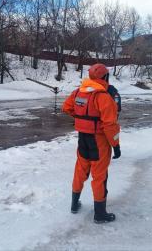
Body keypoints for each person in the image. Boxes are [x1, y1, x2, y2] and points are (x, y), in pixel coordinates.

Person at [62, 63, 121, 224]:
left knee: (80, 170)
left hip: (83, 138)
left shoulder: (78, 92)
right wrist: (116, 146)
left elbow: (66, 107)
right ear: (105, 77)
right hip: (99, 141)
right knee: (99, 176)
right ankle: (100, 214)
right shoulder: (103, 97)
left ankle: (74, 205)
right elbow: (110, 125)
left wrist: (82, 120)